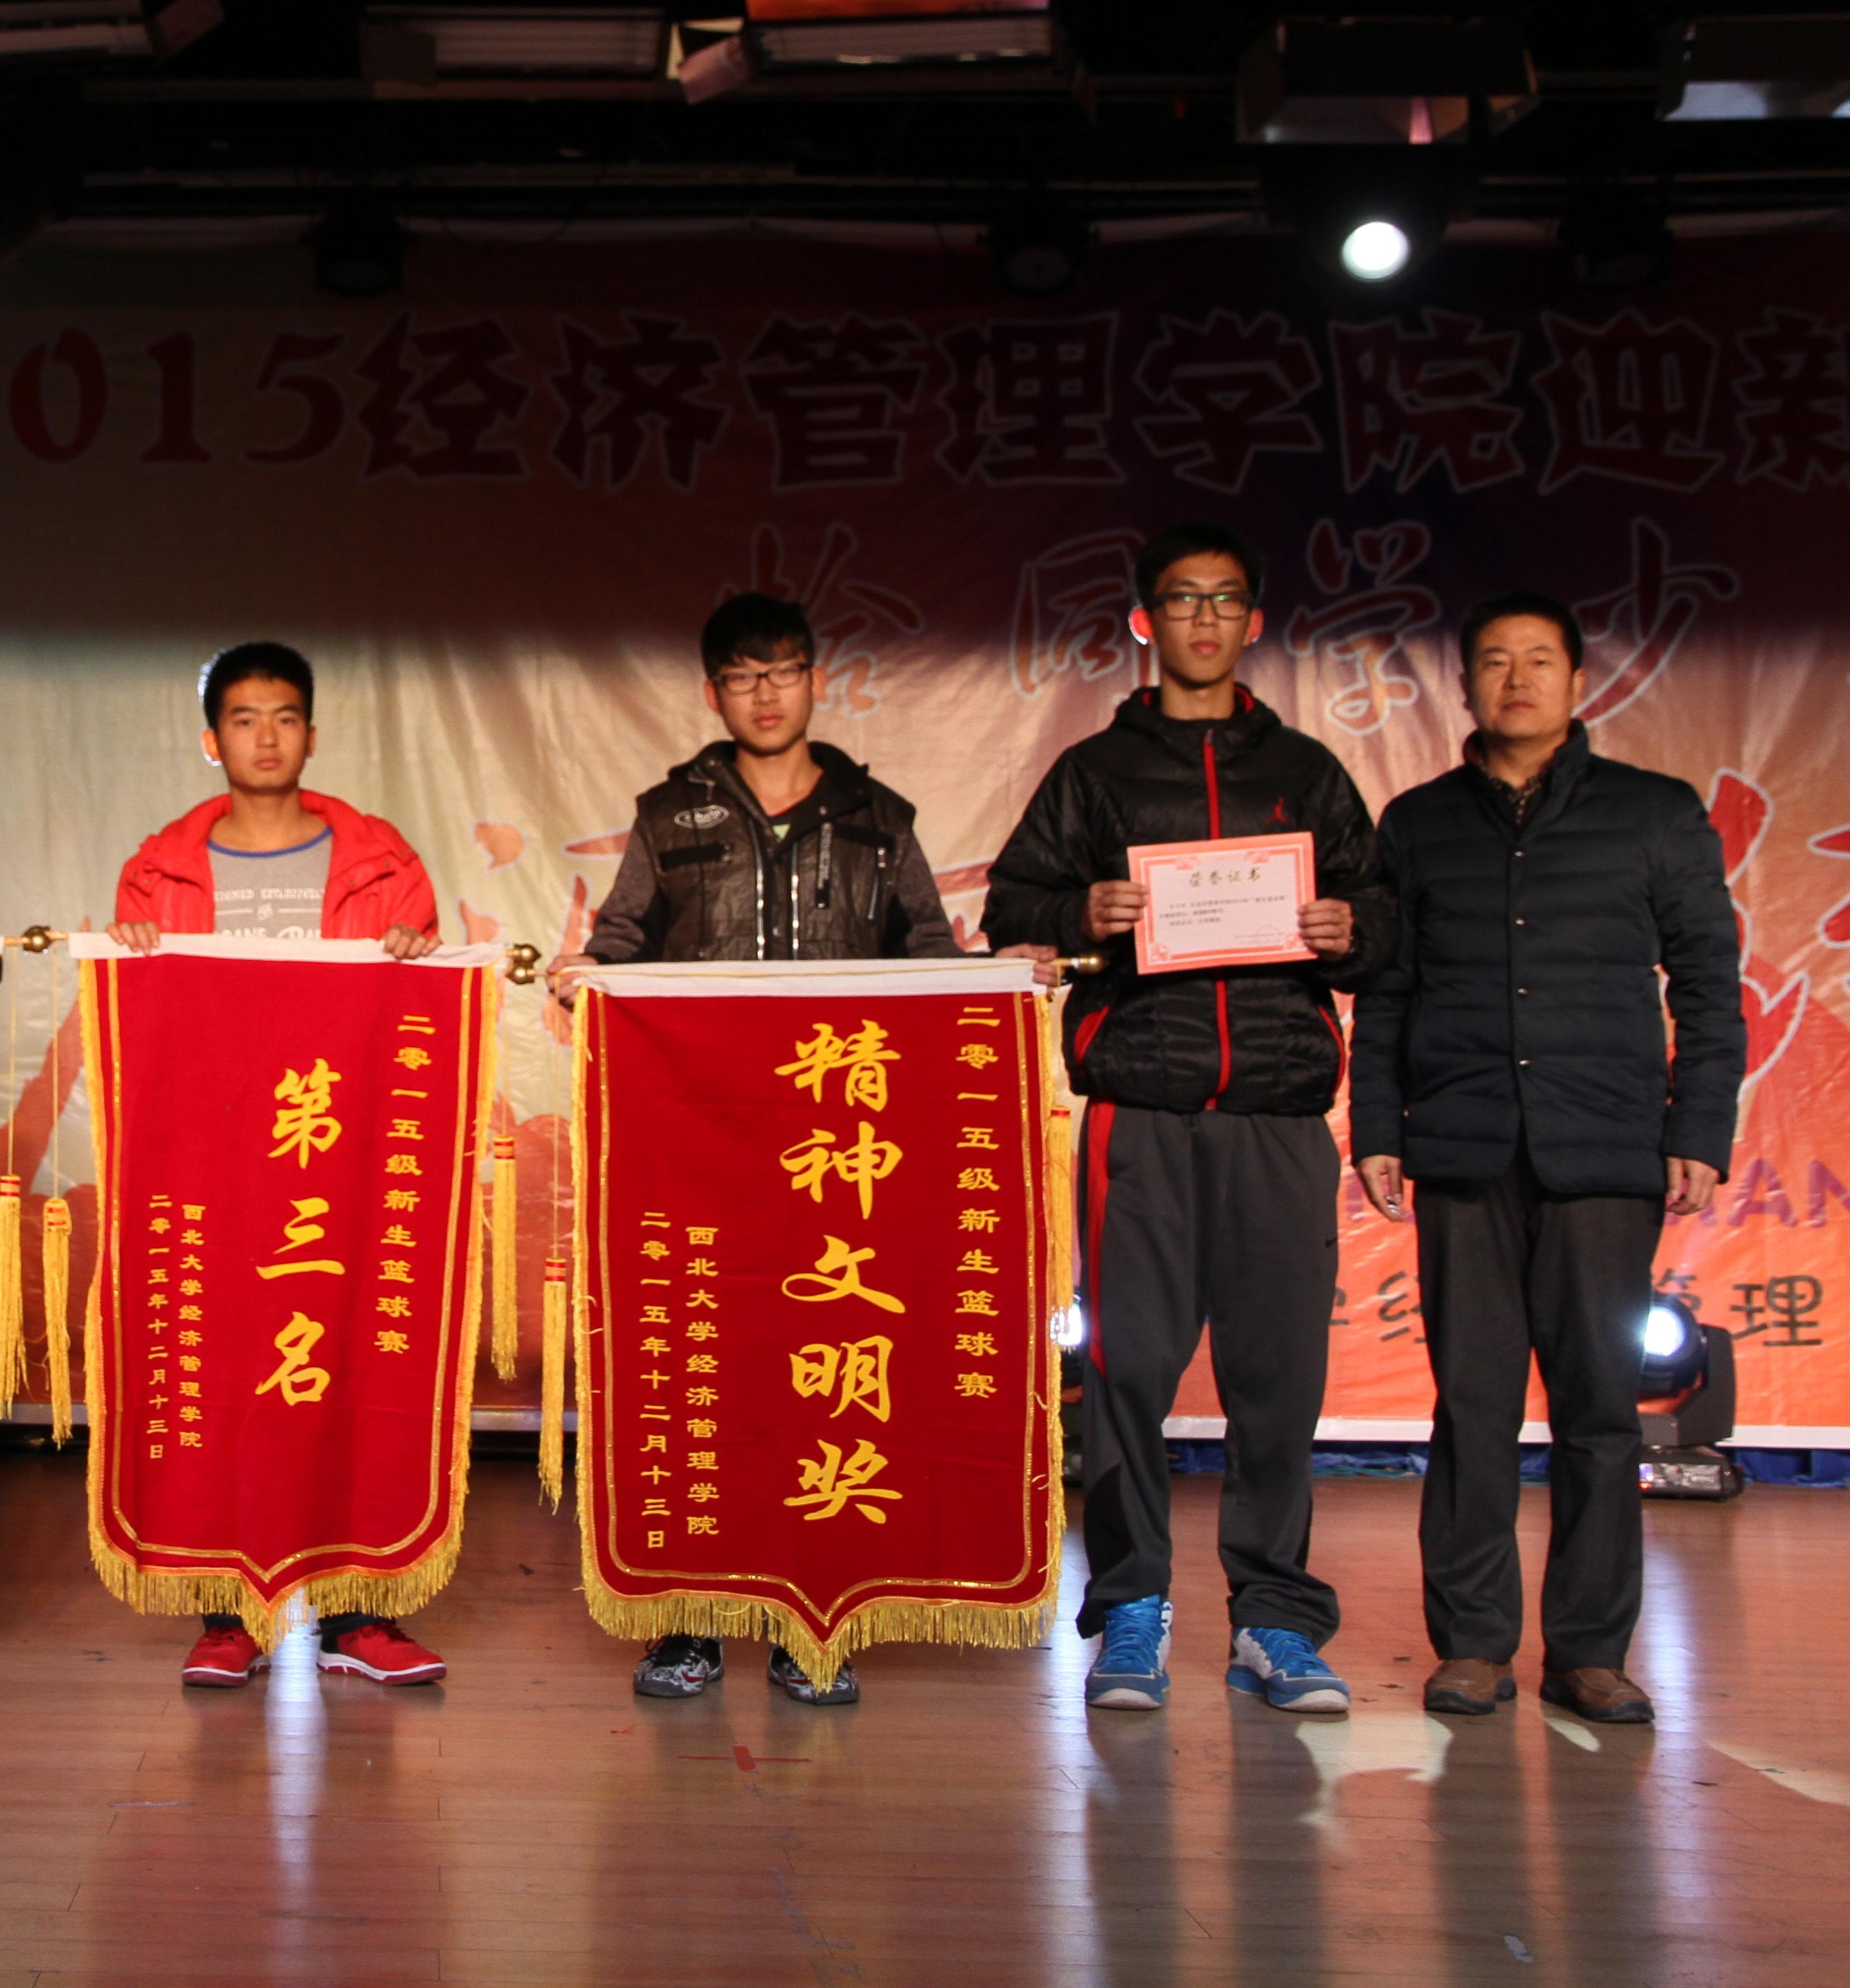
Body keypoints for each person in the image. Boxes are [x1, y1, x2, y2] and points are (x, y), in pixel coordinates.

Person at [550, 590, 1057, 1708]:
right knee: (705, 1371)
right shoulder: (669, 815)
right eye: (743, 676)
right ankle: (687, 1620)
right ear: (714, 693)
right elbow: (620, 945)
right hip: (705, 1144)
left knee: (824, 1383)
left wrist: (1002, 978)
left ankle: (807, 1619)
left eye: (783, 671)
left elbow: (930, 963)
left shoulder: (876, 816)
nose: (766, 694)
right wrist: (590, 979)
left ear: (816, 680)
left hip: (842, 1157)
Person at [984, 521, 1395, 1718]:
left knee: (1280, 1379)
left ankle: (1276, 1618)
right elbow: (1012, 910)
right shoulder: (1095, 773)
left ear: (1252, 623)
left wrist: (1350, 931)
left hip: (1277, 1110)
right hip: (1142, 1109)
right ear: (1145, 622)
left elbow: (1383, 919)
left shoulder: (1307, 770)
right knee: (1125, 1374)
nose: (1204, 620)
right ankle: (1131, 1608)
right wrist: (1084, 912)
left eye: (1224, 601)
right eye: (1182, 600)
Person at [1351, 592, 1741, 1727]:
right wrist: (1378, 1127)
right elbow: (1389, 991)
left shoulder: (1655, 813)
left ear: (1578, 682)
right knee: (1471, 1406)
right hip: (1464, 1144)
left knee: (1600, 1411)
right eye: (1494, 661)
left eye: (1538, 660)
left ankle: (1590, 1651)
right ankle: (1473, 1644)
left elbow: (1708, 983)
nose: (1516, 680)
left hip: (1606, 1145)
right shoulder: (1419, 823)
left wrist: (1698, 1131)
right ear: (1466, 686)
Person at [107, 640, 450, 1690]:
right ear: (212, 741)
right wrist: (131, 960)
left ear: (312, 733)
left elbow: (415, 1023)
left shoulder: (382, 863)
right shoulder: (159, 870)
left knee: (351, 1367)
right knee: (219, 1372)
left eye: (286, 717)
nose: (267, 736)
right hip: (215, 1162)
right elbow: (146, 1036)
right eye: (245, 719)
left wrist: (416, 958)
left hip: (338, 1161)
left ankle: (359, 1612)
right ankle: (229, 1612)